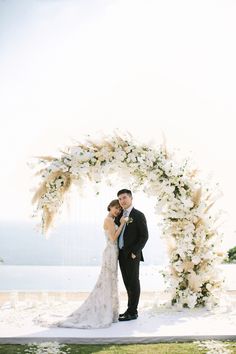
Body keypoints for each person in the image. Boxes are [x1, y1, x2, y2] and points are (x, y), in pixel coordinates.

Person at [35, 199, 126, 329]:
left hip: (113, 252)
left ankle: (109, 310)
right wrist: (122, 224)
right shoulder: (109, 220)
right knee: (107, 281)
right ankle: (104, 311)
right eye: (116, 208)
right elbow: (113, 238)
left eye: (119, 209)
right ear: (110, 207)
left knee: (110, 281)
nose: (117, 210)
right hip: (110, 252)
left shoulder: (112, 220)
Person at [116, 189, 149, 321]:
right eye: (120, 199)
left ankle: (133, 312)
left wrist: (135, 252)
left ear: (131, 198)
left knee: (133, 283)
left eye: (124, 198)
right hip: (121, 254)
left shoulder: (138, 215)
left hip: (132, 255)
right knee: (127, 283)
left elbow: (144, 236)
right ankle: (129, 310)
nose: (122, 201)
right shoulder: (119, 216)